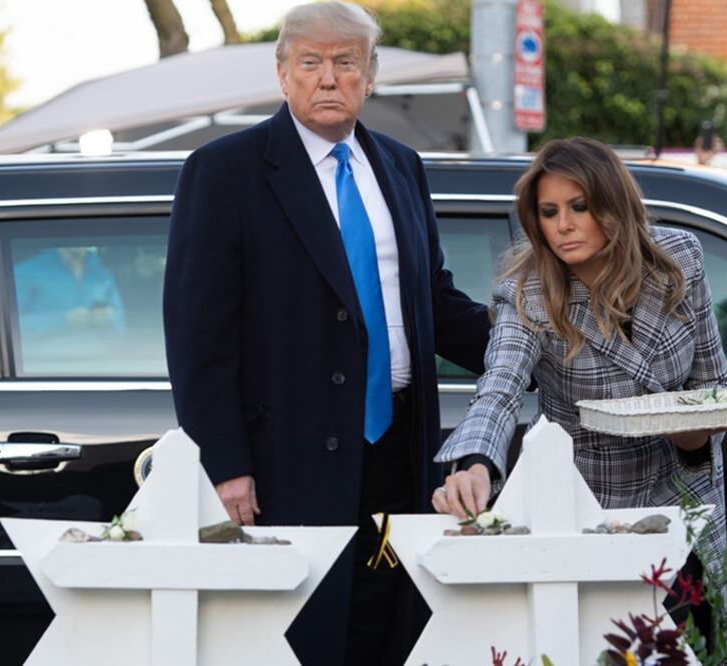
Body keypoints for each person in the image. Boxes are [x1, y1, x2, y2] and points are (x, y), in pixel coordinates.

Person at [162, 3, 490, 665]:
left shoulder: (400, 166)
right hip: (286, 459)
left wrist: (540, 347)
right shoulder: (225, 170)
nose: (328, 78)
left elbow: (433, 302)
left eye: (345, 62)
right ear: (282, 75)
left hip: (402, 450)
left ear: (369, 77)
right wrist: (226, 465)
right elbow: (199, 335)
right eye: (310, 63)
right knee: (302, 638)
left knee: (383, 630)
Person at [433, 137, 727, 600]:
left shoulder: (679, 261)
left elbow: (714, 383)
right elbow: (500, 387)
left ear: (613, 204)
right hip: (585, 511)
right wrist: (474, 464)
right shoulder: (528, 293)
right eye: (549, 213)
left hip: (683, 500)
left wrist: (696, 441)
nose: (564, 226)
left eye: (580, 206)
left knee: (689, 650)